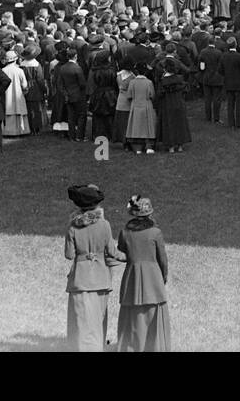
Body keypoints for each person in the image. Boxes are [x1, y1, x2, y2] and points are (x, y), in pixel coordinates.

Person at [63, 183, 122, 352]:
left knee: (80, 320)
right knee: (97, 319)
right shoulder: (104, 225)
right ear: (97, 205)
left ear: (78, 206)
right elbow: (112, 251)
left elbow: (69, 255)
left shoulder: (73, 227)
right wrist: (129, 256)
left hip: (80, 279)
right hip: (101, 278)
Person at [116, 195, 171, 352]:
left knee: (133, 317)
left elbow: (122, 253)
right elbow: (163, 261)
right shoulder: (156, 233)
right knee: (154, 316)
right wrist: (163, 278)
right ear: (149, 214)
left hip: (131, 279)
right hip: (153, 280)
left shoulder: (125, 233)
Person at [156, 58, 191, 153]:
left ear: (165, 69)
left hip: (167, 104)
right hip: (179, 103)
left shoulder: (163, 81)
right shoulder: (180, 79)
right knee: (180, 124)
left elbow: (159, 94)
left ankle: (170, 146)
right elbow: (185, 90)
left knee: (169, 124)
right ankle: (180, 146)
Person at [124, 66, 157, 154]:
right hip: (146, 105)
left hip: (135, 105)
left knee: (136, 127)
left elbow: (129, 95)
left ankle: (137, 148)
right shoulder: (149, 82)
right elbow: (152, 95)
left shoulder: (132, 82)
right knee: (148, 127)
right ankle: (149, 147)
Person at [1, 50, 31, 138]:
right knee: (19, 111)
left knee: (8, 112)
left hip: (6, 95)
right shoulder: (19, 71)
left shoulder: (3, 70)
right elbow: (24, 85)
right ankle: (20, 130)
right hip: (18, 95)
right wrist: (25, 91)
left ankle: (7, 132)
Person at [220, 37, 240, 130]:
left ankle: (231, 123)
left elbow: (220, 70)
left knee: (230, 104)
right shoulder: (239, 56)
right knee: (239, 105)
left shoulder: (223, 56)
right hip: (239, 83)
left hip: (228, 82)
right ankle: (239, 124)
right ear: (236, 44)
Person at [199, 37, 224, 124]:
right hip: (217, 77)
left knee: (207, 99)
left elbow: (201, 66)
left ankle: (208, 117)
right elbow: (221, 66)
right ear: (215, 43)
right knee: (217, 99)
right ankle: (216, 118)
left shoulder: (203, 52)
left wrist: (203, 71)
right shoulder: (219, 53)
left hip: (206, 76)